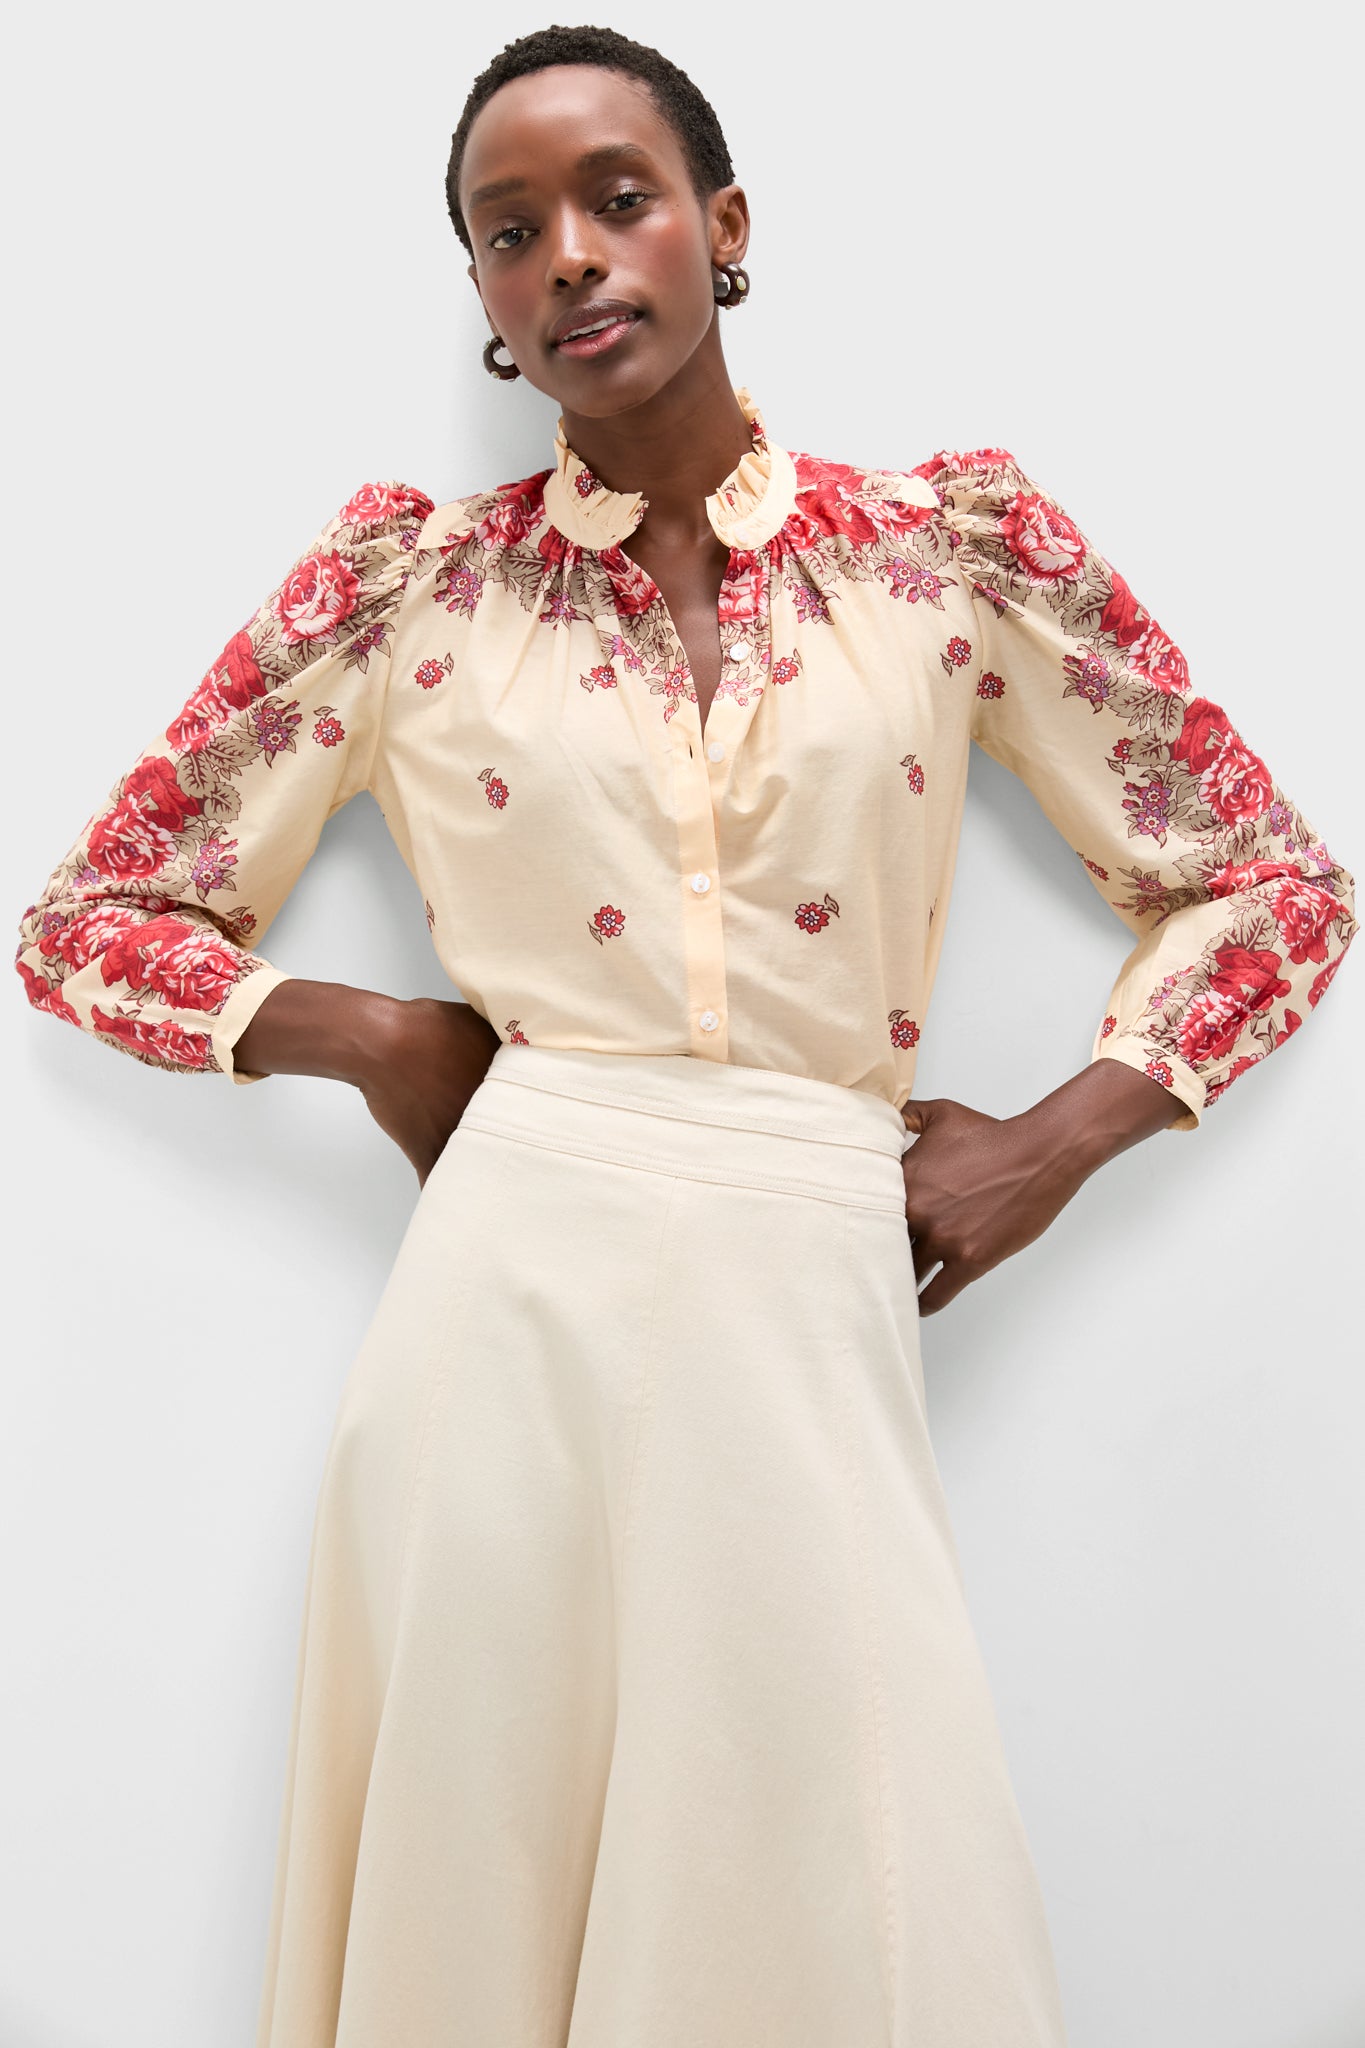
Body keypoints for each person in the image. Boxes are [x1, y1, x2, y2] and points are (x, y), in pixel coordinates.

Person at [14, 22, 1357, 2048]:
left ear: (721, 228)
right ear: (479, 301)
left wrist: (1056, 1141)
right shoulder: (405, 588)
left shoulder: (949, 551)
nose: (564, 255)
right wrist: (370, 1032)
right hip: (508, 1287)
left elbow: (1269, 878)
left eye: (614, 198)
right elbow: (92, 917)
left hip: (811, 1267)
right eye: (505, 229)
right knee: (489, 1883)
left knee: (854, 1886)